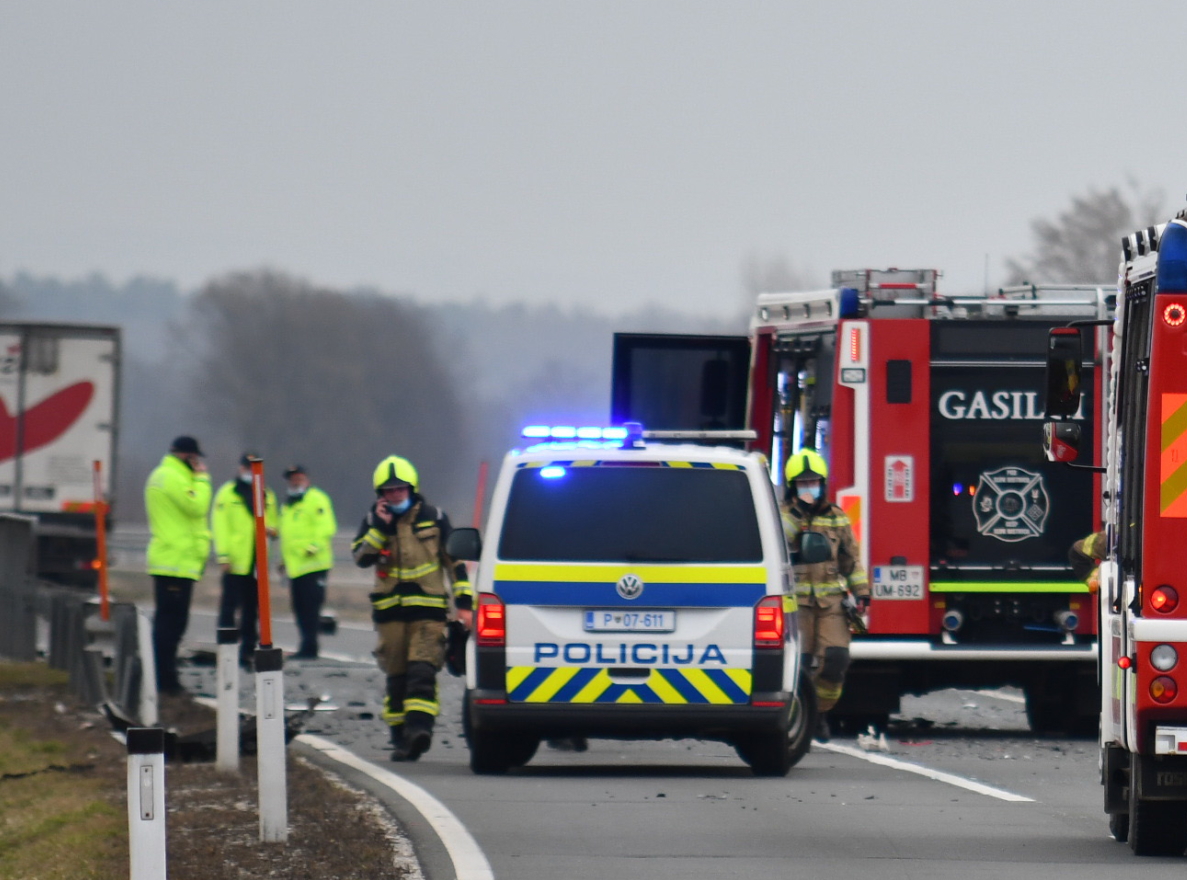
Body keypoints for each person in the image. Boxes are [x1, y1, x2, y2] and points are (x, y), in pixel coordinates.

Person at [352, 455, 473, 762]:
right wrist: (379, 528)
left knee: (422, 671)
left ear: (412, 489)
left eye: (400, 489)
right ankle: (400, 736)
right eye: (389, 490)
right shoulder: (373, 520)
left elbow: (455, 563)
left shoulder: (435, 518)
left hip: (429, 613)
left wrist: (464, 605)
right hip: (390, 614)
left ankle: (420, 730)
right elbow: (361, 557)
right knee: (397, 677)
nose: (395, 495)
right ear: (380, 494)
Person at [780, 448, 870, 742]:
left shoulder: (837, 517)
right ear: (793, 486)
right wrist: (797, 515)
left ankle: (819, 714)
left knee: (836, 659)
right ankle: (798, 718)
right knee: (800, 665)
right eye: (803, 482)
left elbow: (851, 560)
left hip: (831, 603)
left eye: (814, 481)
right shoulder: (782, 516)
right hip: (796, 606)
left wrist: (862, 592)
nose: (809, 487)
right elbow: (779, 542)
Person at [145, 435, 213, 695]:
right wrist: (202, 479)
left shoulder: (163, 475)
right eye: (196, 460)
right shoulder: (174, 477)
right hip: (175, 560)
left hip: (173, 559)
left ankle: (162, 677)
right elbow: (197, 507)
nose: (198, 465)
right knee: (171, 625)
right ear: (188, 456)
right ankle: (165, 680)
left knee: (169, 622)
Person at [211, 453, 278, 667]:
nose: (249, 472)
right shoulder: (227, 493)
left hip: (257, 561)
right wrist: (223, 555)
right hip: (234, 561)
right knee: (229, 607)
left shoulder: (267, 494)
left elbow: (273, 523)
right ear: (240, 468)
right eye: (246, 467)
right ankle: (225, 651)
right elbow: (220, 526)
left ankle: (247, 651)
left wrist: (272, 531)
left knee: (252, 609)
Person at [278, 464, 337, 659]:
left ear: (306, 479)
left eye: (299, 478)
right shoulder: (287, 506)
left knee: (311, 606)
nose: (295, 482)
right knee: (299, 607)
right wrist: (284, 560)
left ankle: (310, 647)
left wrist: (313, 547)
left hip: (314, 564)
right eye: (292, 479)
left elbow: (326, 526)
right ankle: (306, 643)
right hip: (295, 567)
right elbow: (287, 536)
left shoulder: (317, 499)